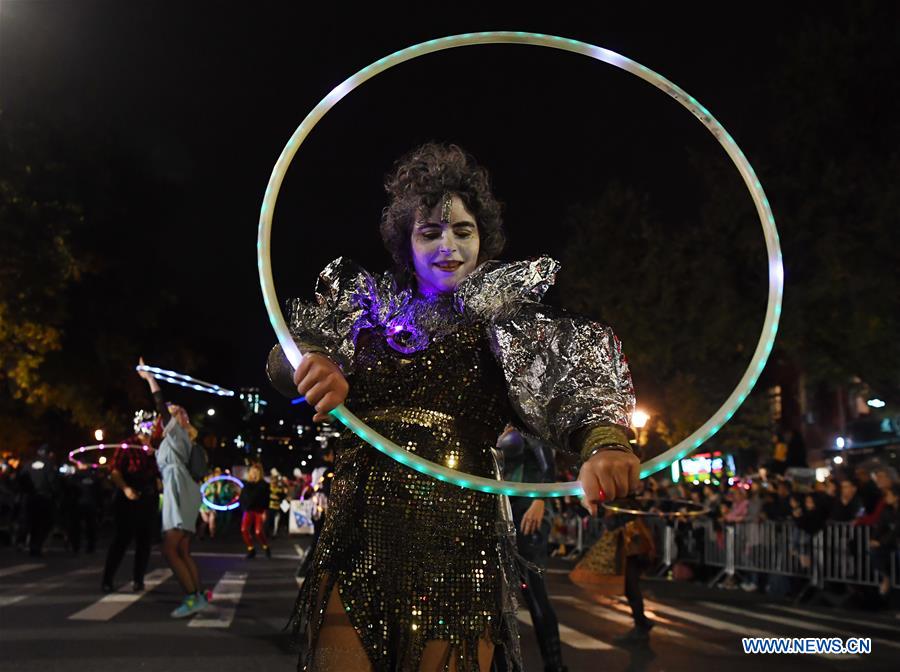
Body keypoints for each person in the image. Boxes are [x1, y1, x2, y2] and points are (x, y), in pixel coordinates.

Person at [266, 142, 639, 671]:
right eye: (430, 232)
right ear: (406, 241)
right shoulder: (367, 310)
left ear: (483, 238)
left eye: (463, 231)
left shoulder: (507, 323)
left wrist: (605, 444)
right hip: (358, 538)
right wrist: (315, 363)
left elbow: (572, 387)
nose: (449, 245)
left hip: (458, 551)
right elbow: (287, 353)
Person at [493, 425, 567, 672]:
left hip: (530, 509)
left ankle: (555, 666)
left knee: (534, 589)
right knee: (499, 593)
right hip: (505, 509)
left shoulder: (529, 420)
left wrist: (540, 500)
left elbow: (548, 467)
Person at [137, 359, 207, 618]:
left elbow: (159, 403)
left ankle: (192, 597)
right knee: (182, 550)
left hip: (179, 491)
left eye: (173, 411)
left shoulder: (177, 432)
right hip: (181, 490)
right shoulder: (172, 439)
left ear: (179, 419)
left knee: (169, 548)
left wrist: (149, 378)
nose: (167, 412)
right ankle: (198, 594)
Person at [102, 433, 160, 592]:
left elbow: (160, 472)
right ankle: (107, 579)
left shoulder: (157, 446)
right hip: (128, 497)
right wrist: (126, 488)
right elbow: (114, 470)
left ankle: (138, 579)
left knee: (145, 541)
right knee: (121, 539)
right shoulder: (127, 445)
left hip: (149, 498)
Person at [869, 483, 899, 597]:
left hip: (894, 542)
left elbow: (896, 530)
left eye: (889, 495)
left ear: (896, 496)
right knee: (874, 552)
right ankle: (886, 577)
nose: (887, 498)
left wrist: (880, 542)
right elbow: (880, 526)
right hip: (890, 543)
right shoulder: (887, 510)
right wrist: (874, 539)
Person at [240, 463, 271, 559]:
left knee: (258, 531)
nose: (253, 474)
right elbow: (242, 497)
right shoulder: (246, 484)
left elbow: (266, 499)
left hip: (259, 510)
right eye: (252, 472)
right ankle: (251, 549)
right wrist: (243, 507)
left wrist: (265, 512)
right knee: (244, 529)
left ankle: (266, 547)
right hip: (248, 510)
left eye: (255, 472)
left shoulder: (264, 485)